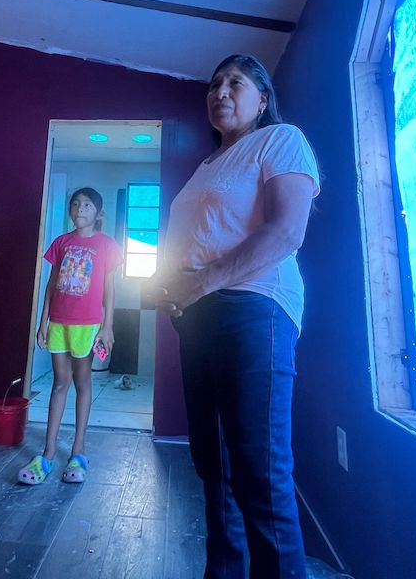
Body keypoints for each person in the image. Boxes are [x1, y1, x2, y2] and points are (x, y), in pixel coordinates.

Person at [149, 54, 320, 578]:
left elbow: (287, 232)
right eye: (215, 83)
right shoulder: (206, 167)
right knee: (214, 467)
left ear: (262, 100)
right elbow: (192, 242)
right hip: (198, 317)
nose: (220, 89)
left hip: (255, 310)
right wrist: (172, 288)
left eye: (236, 82)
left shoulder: (280, 140)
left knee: (259, 476)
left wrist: (200, 281)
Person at [17, 187, 122, 485]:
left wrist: (107, 325)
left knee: (82, 382)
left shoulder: (107, 245)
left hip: (87, 325)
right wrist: (43, 321)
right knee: (59, 383)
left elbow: (110, 289)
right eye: (75, 204)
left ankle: (79, 451)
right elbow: (51, 284)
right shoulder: (61, 242)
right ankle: (48, 453)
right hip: (59, 323)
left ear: (98, 213)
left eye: (87, 205)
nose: (79, 209)